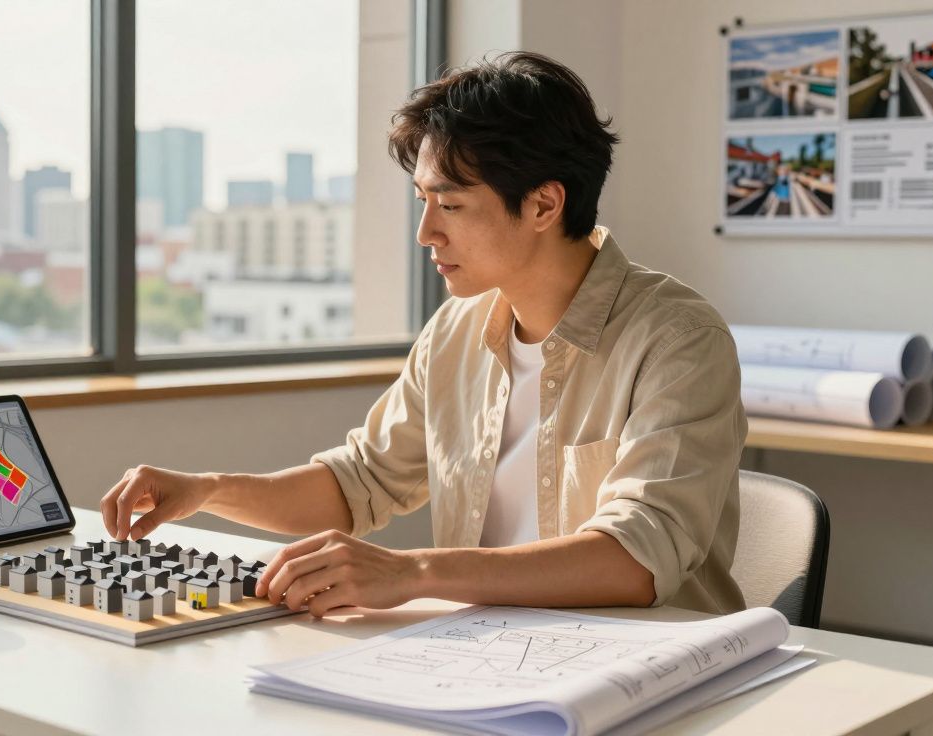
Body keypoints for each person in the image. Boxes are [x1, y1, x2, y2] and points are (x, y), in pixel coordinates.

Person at [102, 51, 747, 616]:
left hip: (647, 673)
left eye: (453, 205)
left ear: (545, 205)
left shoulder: (678, 339)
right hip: (486, 659)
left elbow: (637, 559)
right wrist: (208, 490)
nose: (427, 234)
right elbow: (359, 482)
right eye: (423, 202)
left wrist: (410, 573)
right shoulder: (456, 332)